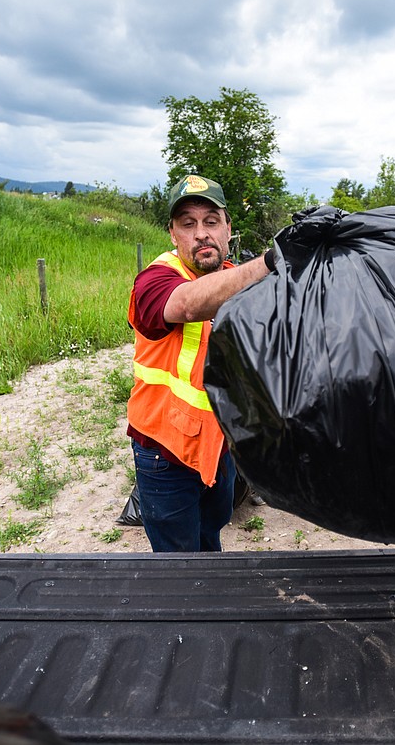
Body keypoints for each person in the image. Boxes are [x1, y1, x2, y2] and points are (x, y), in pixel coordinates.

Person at [126, 174, 275, 552]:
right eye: (188, 224)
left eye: (211, 221)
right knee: (178, 564)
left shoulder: (234, 278)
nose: (200, 234)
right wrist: (275, 260)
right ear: (173, 235)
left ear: (228, 229)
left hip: (218, 446)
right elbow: (187, 303)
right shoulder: (155, 280)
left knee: (211, 539)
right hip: (165, 453)